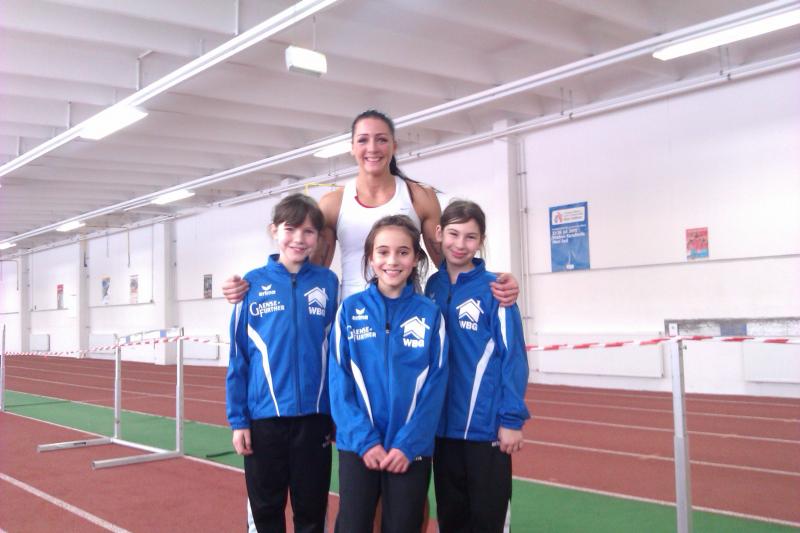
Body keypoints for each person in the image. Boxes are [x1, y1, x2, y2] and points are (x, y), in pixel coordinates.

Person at [222, 109, 519, 305]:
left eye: (381, 140)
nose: (373, 148)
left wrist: (493, 283)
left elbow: (450, 260)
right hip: (353, 315)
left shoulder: (419, 196)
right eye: (363, 140)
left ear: (394, 146)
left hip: (406, 312)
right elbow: (308, 267)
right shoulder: (333, 203)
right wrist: (255, 287)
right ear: (352, 147)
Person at [226, 193, 339, 533]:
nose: (299, 239)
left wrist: (335, 413)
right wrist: (239, 421)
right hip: (265, 421)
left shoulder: (328, 283)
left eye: (308, 232)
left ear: (318, 237)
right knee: (266, 512)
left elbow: (336, 354)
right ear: (274, 230)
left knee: (311, 512)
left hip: (314, 421)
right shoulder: (251, 285)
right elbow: (239, 358)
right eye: (291, 229)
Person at [328, 215, 448, 533]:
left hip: (409, 449)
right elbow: (339, 382)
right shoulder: (349, 311)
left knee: (404, 526)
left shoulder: (430, 314)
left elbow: (436, 386)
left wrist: (409, 444)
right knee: (352, 525)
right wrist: (364, 441)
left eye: (403, 252)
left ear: (416, 258)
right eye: (383, 252)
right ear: (370, 258)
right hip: (358, 446)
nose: (392, 261)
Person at [425, 200, 530, 533]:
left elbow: (513, 357)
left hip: (485, 431)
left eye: (470, 237)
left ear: (481, 240)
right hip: (442, 432)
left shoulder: (496, 290)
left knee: (487, 521)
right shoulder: (432, 287)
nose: (460, 244)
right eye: (453, 234)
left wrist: (511, 419)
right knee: (451, 519)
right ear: (439, 234)